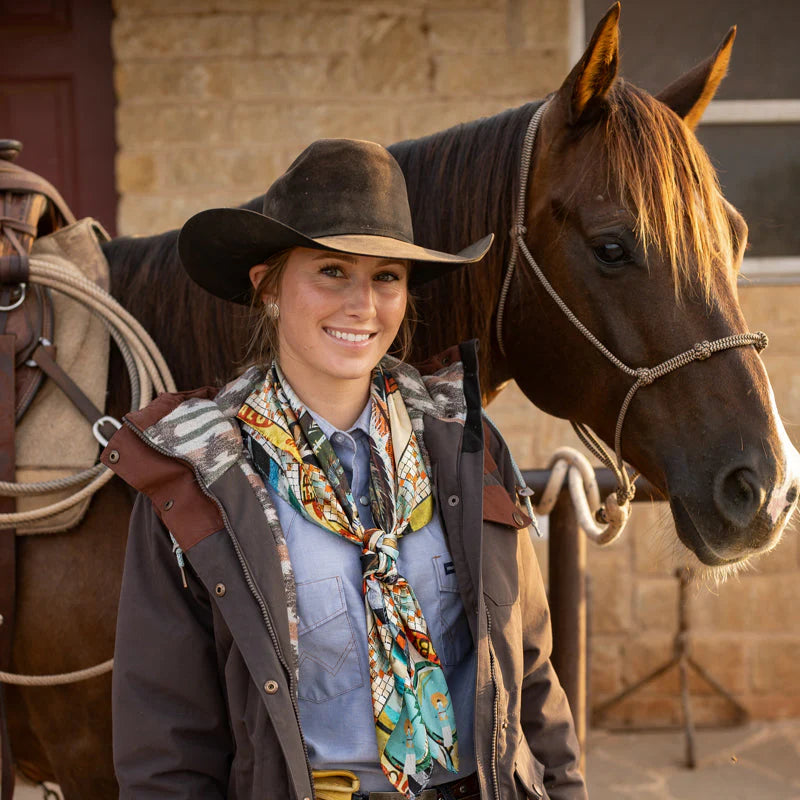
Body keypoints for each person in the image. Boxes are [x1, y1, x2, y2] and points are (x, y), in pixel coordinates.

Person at [103, 138, 587, 800]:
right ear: (267, 287)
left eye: (386, 275)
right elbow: (166, 743)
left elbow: (528, 674)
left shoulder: (464, 441)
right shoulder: (193, 479)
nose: (363, 304)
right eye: (332, 270)